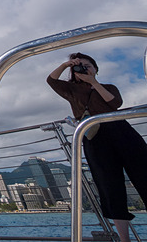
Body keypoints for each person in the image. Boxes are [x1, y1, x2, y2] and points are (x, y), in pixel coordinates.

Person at [47, 52, 147, 242]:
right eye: (79, 66)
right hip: (94, 137)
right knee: (110, 187)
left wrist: (93, 82)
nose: (84, 69)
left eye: (88, 65)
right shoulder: (71, 90)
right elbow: (51, 80)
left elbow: (115, 103)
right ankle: (124, 239)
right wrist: (65, 64)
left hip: (121, 131)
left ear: (96, 69)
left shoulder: (108, 87)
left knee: (144, 175)